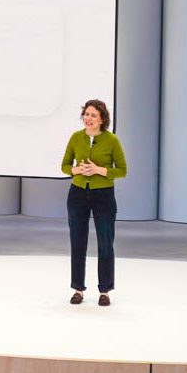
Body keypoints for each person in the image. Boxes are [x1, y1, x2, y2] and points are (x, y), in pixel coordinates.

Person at [62, 97, 127, 305]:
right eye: (86, 114)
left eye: (93, 115)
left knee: (105, 243)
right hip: (78, 194)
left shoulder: (112, 140)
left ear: (102, 119)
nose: (88, 118)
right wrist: (77, 170)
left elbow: (122, 170)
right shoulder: (76, 137)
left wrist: (99, 170)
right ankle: (78, 289)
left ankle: (104, 291)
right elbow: (65, 166)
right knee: (77, 242)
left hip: (103, 195)